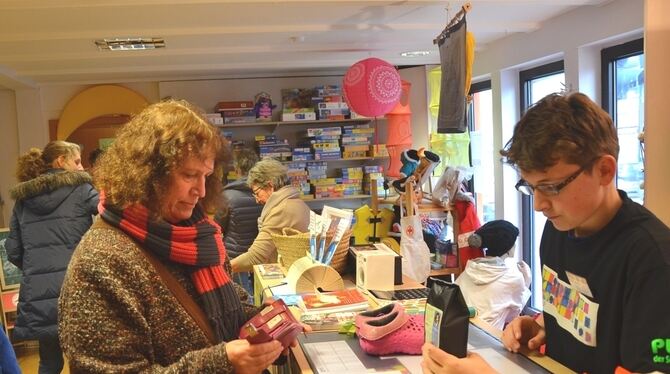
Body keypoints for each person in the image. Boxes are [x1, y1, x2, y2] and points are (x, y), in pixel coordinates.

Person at [421, 92, 670, 373]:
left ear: (604, 170)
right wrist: (543, 325)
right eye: (531, 187)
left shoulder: (653, 262)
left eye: (551, 187)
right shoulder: (558, 230)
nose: (538, 204)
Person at [58, 100, 291, 373]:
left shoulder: (195, 233)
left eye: (206, 175)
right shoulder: (101, 261)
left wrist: (266, 324)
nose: (202, 191)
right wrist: (220, 364)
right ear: (146, 174)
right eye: (190, 175)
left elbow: (222, 303)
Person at [5, 140, 99, 374]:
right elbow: (112, 217)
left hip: (40, 294)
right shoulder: (82, 190)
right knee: (86, 361)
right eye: (76, 161)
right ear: (60, 161)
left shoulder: (23, 199)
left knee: (49, 362)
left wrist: (37, 267)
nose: (81, 168)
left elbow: (14, 250)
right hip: (78, 289)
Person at [230, 158, 310, 273]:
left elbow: (255, 257)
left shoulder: (282, 210)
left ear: (270, 186)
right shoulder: (293, 201)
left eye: (257, 193)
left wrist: (224, 269)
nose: (257, 200)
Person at [455, 220, 530, 330]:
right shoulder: (513, 278)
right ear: (508, 248)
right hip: (488, 340)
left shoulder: (468, 271)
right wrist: (526, 282)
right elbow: (511, 317)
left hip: (460, 335)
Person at [215, 147, 263, 296]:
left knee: (242, 298)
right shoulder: (266, 193)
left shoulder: (227, 196)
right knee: (263, 296)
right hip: (261, 254)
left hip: (235, 257)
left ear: (236, 169)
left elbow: (218, 228)